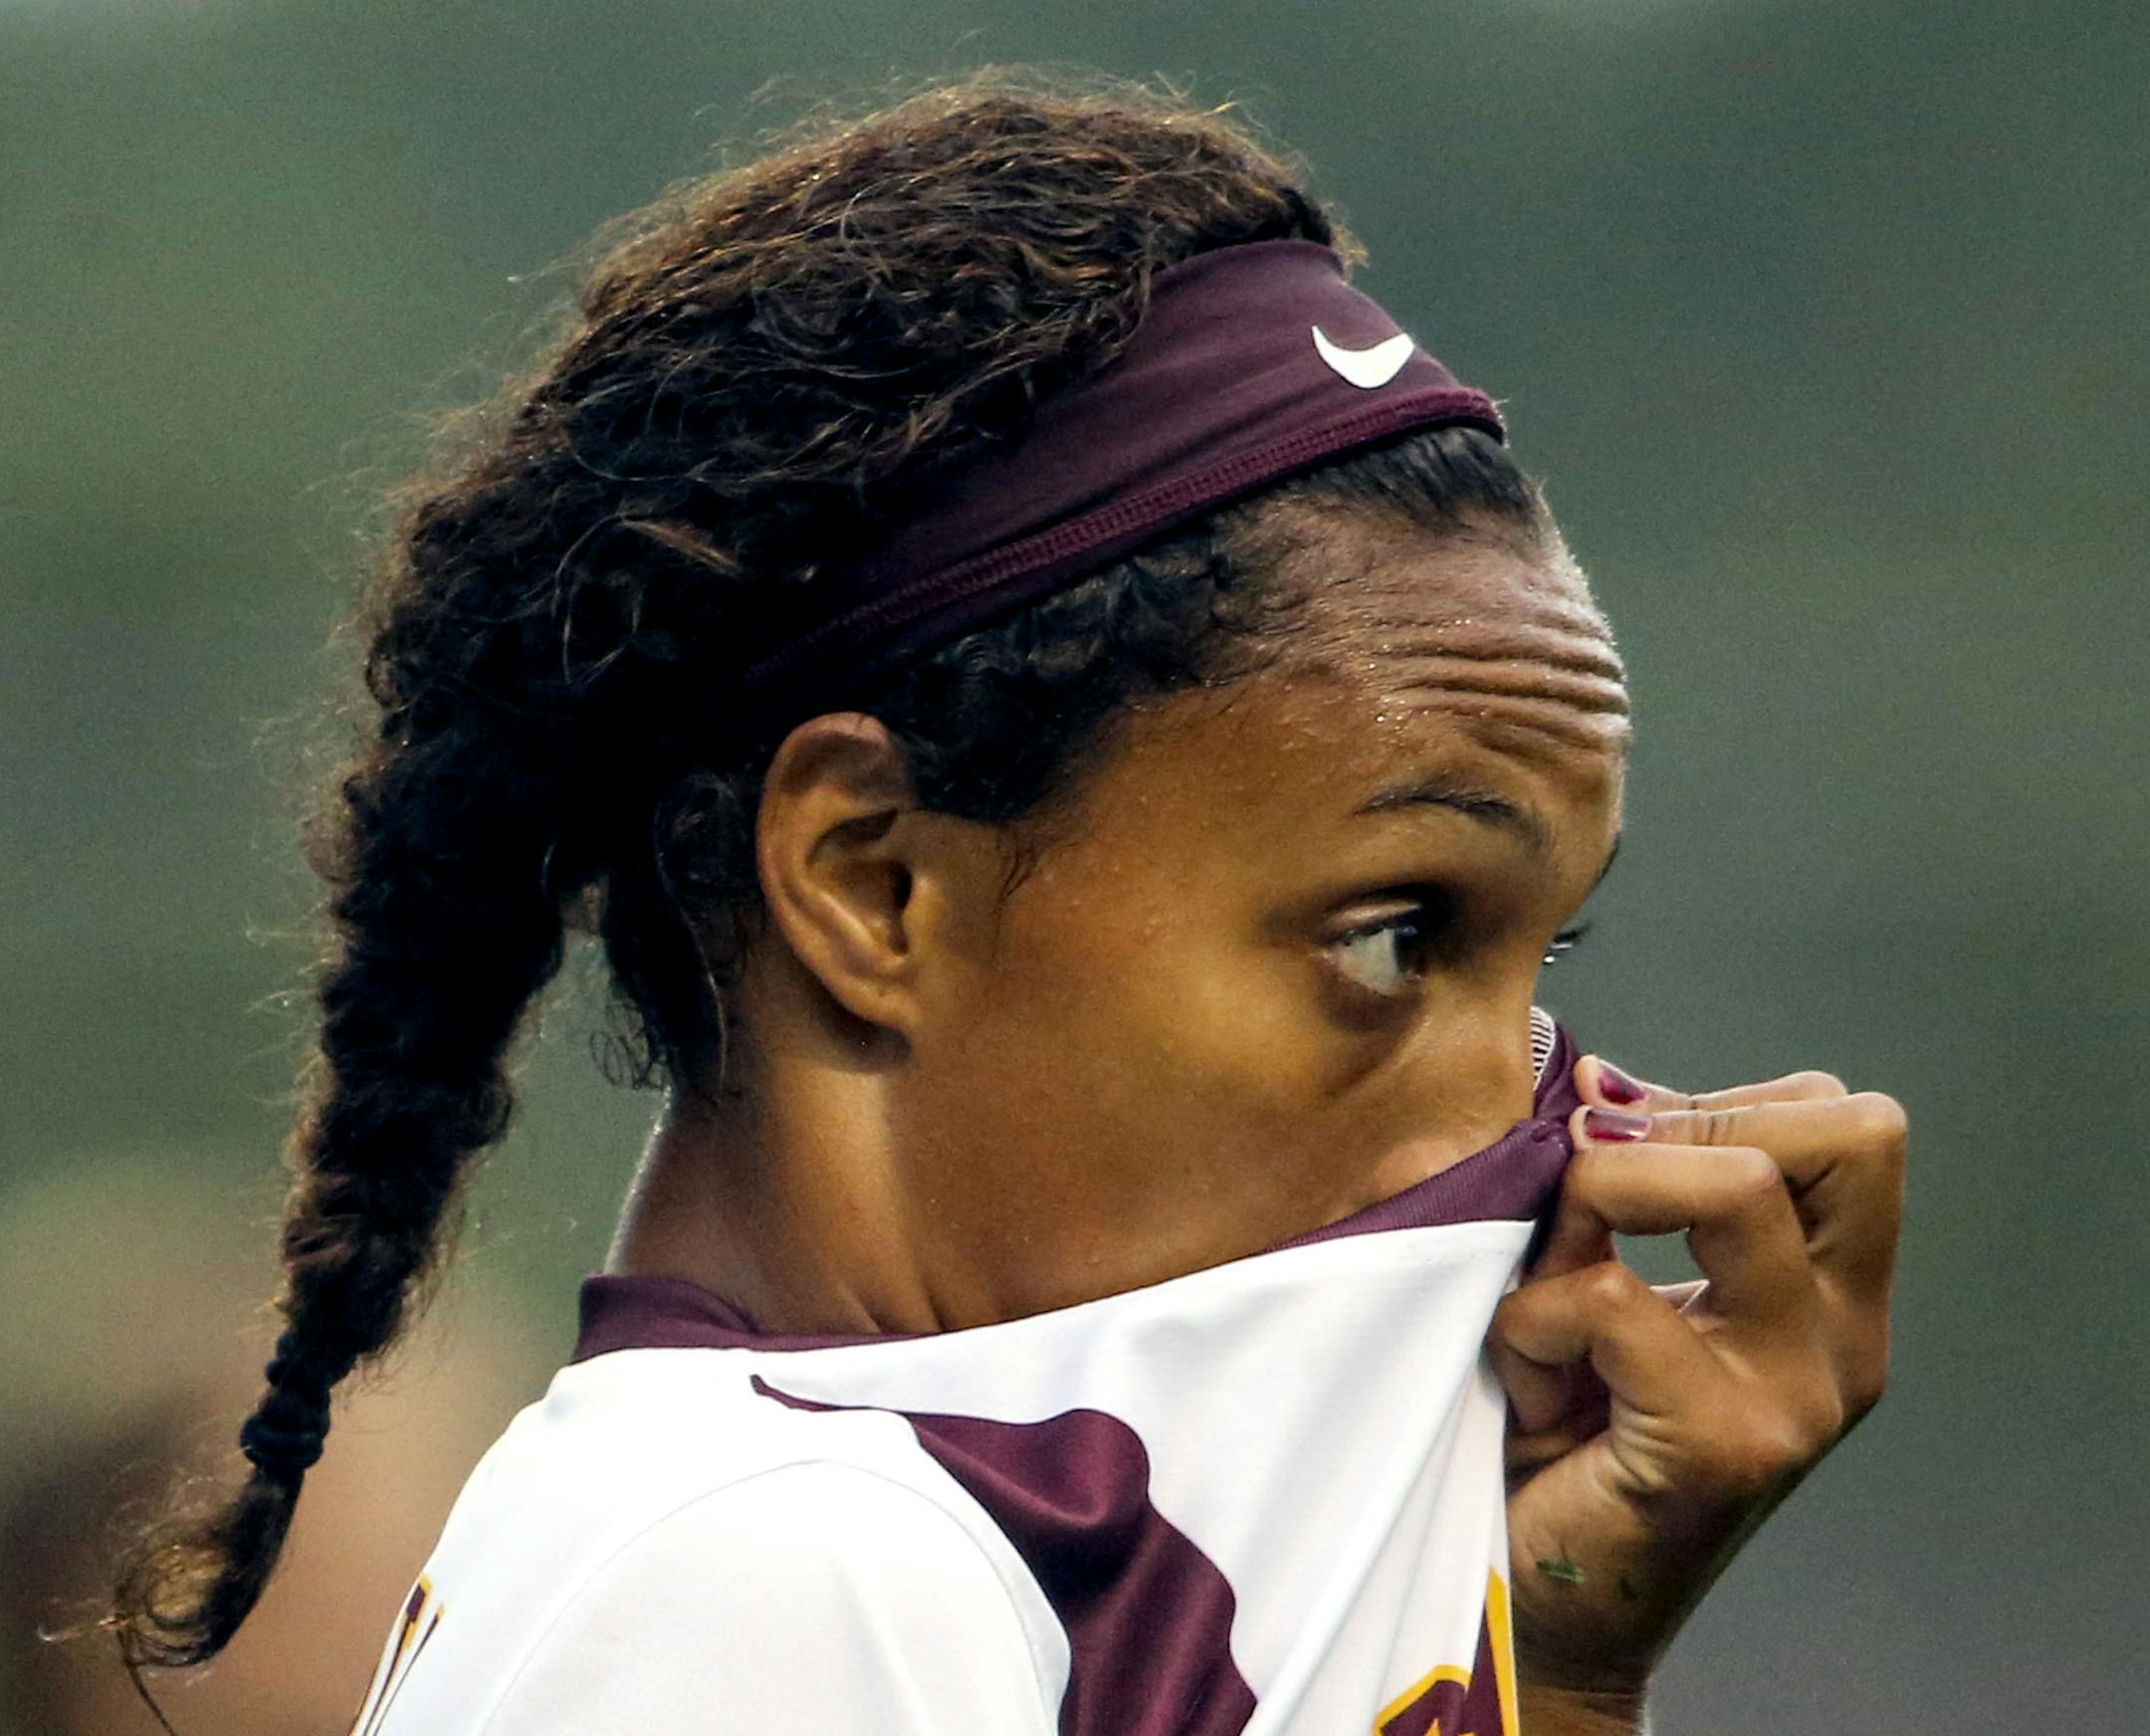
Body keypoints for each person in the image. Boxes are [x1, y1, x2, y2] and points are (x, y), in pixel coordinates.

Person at [105, 75, 1907, 1735]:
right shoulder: (796, 1569)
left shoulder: (864, 1541)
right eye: (1393, 936)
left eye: (1538, 958)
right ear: (871, 885)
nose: (1529, 1119)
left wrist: (1566, 1664)